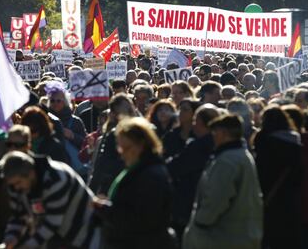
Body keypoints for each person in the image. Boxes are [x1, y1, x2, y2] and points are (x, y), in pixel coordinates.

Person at [92, 117, 176, 249]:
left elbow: (142, 219)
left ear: (140, 145)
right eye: (119, 148)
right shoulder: (138, 169)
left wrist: (104, 209)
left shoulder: (151, 175)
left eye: (125, 148)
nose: (121, 153)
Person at [183, 114, 263, 249]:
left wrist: (200, 223)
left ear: (224, 133)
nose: (212, 136)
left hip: (221, 238)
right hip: (240, 235)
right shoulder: (242, 155)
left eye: (214, 132)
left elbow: (217, 197)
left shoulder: (226, 161)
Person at [0, 150, 90, 248]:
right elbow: (18, 215)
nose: (16, 188)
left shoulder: (56, 179)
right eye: (12, 184)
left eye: (18, 182)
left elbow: (52, 222)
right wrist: (9, 241)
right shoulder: (15, 186)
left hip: (82, 229)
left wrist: (28, 246)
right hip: (51, 235)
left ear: (31, 174)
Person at [166, 104, 221, 243]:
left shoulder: (198, 146)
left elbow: (174, 167)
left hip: (190, 205)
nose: (193, 125)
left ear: (202, 123)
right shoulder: (222, 144)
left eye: (195, 121)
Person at [253, 106, 302, 249]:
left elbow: (261, 169)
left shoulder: (263, 139)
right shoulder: (295, 140)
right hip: (289, 195)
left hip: (268, 194)